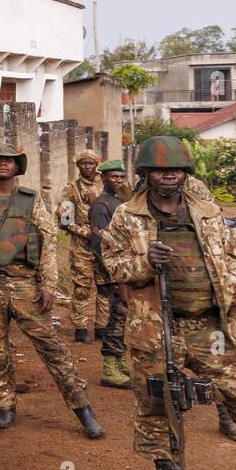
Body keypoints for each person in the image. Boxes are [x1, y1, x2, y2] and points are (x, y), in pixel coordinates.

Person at [100, 136, 236, 470]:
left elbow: (233, 259)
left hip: (210, 326)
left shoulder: (207, 212)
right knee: (156, 399)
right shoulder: (127, 216)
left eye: (175, 169)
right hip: (155, 326)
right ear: (147, 173)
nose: (169, 176)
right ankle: (165, 468)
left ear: (185, 173)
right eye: (160, 170)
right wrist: (145, 263)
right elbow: (112, 265)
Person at [0, 144, 105, 438]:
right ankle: (5, 405)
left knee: (52, 347)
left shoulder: (31, 200)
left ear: (18, 167)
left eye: (10, 161)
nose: (4, 165)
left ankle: (83, 408)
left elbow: (49, 242)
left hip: (25, 283)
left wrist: (48, 285)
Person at [90, 160, 131, 389]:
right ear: (103, 178)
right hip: (115, 272)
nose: (118, 181)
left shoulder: (124, 201)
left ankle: (121, 360)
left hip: (130, 269)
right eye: (113, 177)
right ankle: (110, 368)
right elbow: (99, 241)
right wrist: (112, 276)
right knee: (117, 317)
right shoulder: (101, 205)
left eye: (121, 177)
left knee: (127, 318)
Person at [58, 150, 103, 342]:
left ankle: (102, 326)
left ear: (96, 165)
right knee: (81, 288)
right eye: (83, 163)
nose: (87, 167)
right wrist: (87, 232)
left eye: (90, 163)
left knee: (105, 286)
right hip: (82, 246)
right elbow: (65, 221)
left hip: (106, 245)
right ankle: (81, 326)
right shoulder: (72, 189)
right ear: (78, 166)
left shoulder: (106, 182)